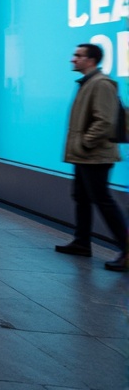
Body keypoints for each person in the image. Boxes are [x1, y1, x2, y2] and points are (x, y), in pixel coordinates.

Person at [55, 43, 127, 271]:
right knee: (82, 197)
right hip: (85, 155)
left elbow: (104, 121)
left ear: (91, 60)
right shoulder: (87, 83)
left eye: (78, 55)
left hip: (96, 155)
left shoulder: (102, 84)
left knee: (103, 200)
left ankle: (126, 250)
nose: (73, 59)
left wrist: (85, 143)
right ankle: (82, 242)